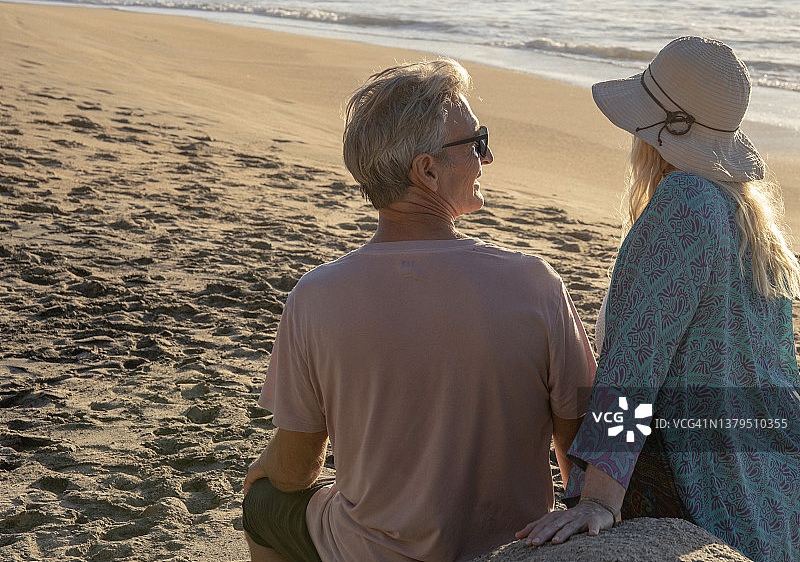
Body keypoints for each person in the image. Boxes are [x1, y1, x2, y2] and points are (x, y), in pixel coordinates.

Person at [242, 58, 597, 562]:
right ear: (427, 170)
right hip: (511, 549)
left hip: (371, 550)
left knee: (262, 502)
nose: (487, 157)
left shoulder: (315, 296)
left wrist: (262, 474)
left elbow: (296, 469)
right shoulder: (533, 283)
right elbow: (584, 438)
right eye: (477, 143)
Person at [517, 37, 800, 562]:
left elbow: (635, 363)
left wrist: (599, 498)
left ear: (653, 132)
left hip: (707, 494)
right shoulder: (750, 220)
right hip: (774, 496)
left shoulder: (685, 204)